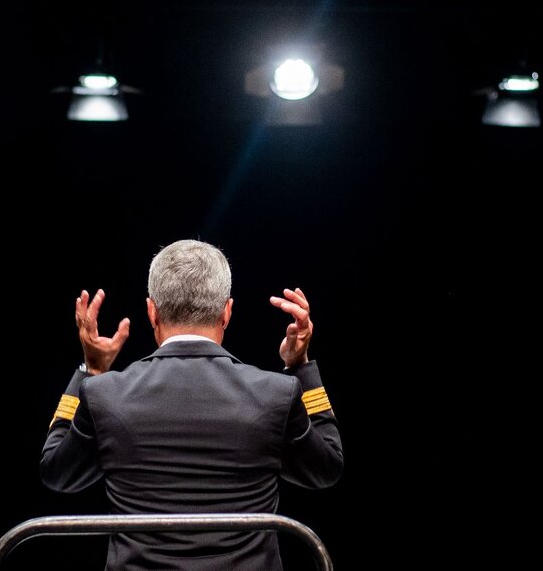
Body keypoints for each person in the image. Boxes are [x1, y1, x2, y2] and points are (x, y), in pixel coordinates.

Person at [40, 239, 343, 570]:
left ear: (151, 312)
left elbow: (57, 473)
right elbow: (326, 468)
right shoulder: (276, 393)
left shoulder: (104, 394)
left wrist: (91, 371)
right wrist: (300, 367)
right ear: (227, 312)